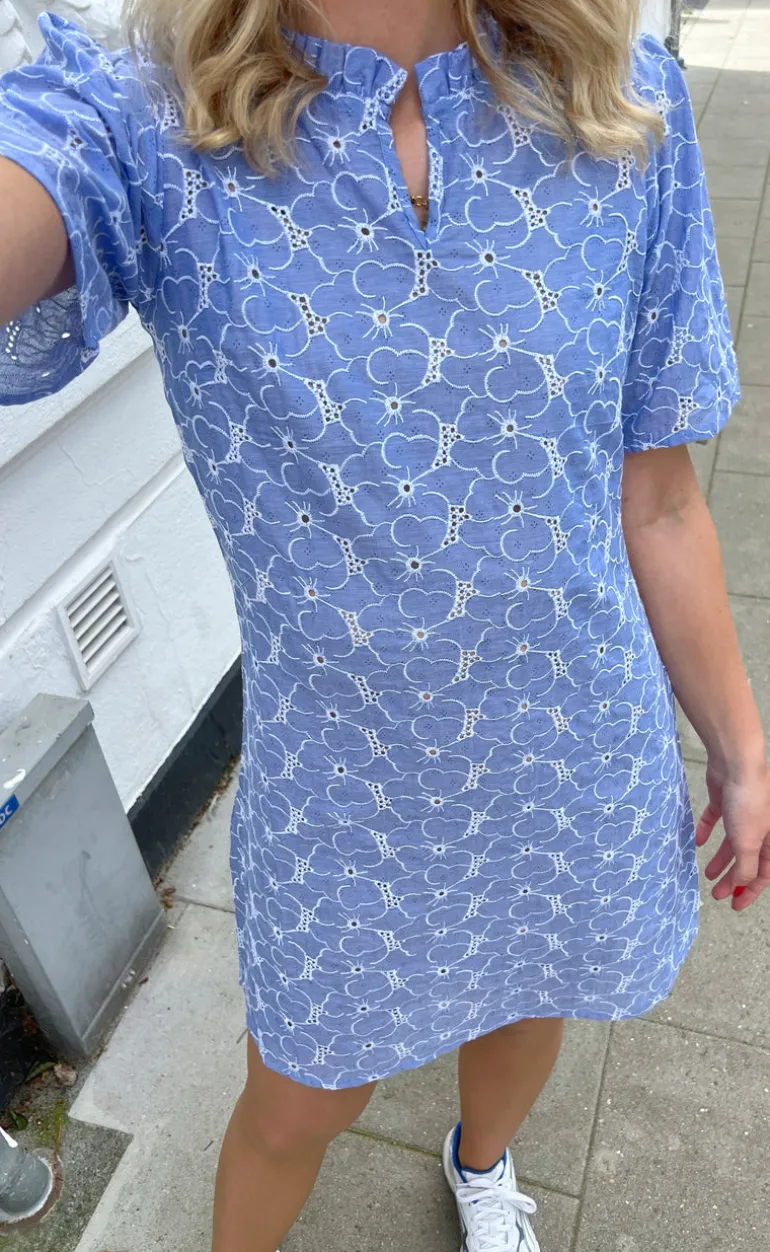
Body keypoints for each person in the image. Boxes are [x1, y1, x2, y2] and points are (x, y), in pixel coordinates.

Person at [1, 1, 769, 1249]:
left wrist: (737, 742)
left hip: (565, 743)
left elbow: (660, 496)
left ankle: (482, 1165)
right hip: (343, 788)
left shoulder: (619, 96)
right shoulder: (148, 113)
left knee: (532, 995)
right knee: (296, 1100)